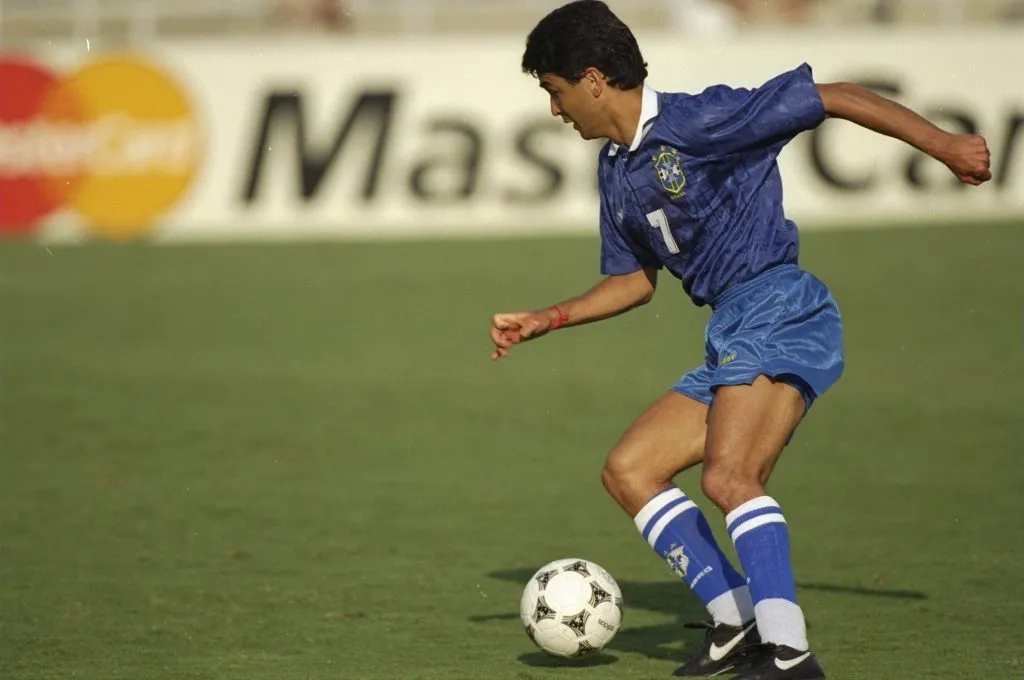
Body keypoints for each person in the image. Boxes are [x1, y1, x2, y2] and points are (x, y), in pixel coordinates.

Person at [487, 1, 992, 678]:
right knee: (630, 469)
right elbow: (634, 282)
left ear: (593, 79)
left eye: (554, 91)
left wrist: (948, 146)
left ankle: (787, 650)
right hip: (733, 328)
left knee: (730, 478)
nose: (554, 109)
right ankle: (735, 620)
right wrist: (547, 318)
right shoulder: (615, 172)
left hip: (780, 307)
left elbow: (833, 96)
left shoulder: (699, 118)